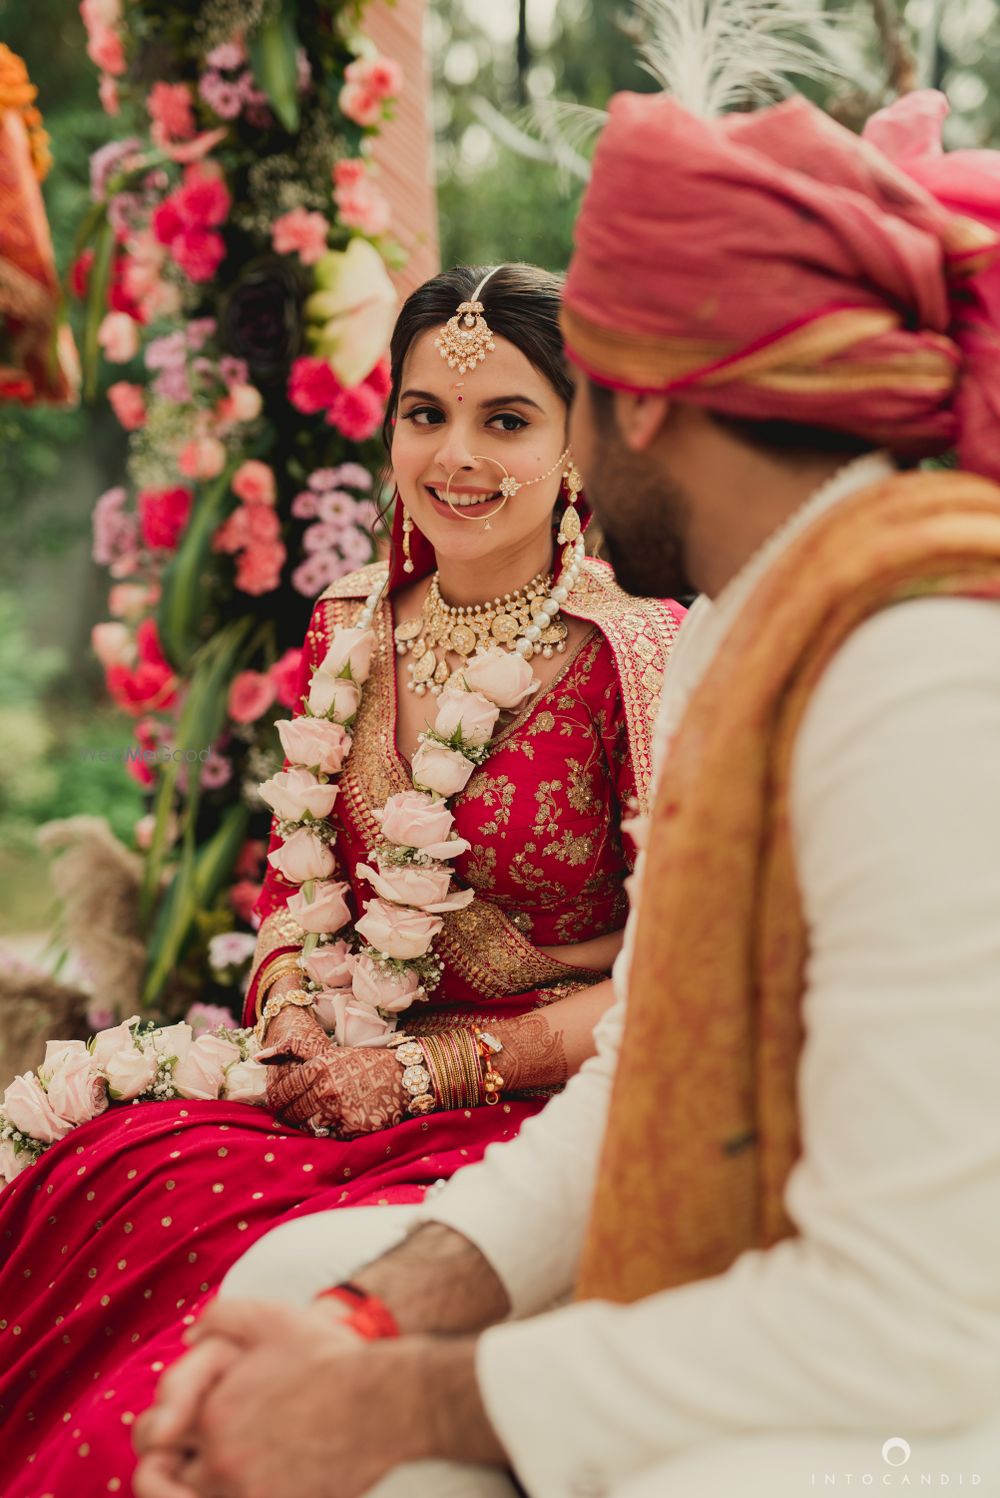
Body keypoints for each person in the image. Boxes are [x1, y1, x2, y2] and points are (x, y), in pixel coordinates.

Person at [133, 86, 1000, 1498]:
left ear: (637, 395)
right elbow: (635, 1078)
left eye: (555, 397)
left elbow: (915, 1323)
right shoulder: (748, 611)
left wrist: (396, 1401)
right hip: (786, 1293)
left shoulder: (924, 675)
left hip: (930, 1389)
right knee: (302, 1277)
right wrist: (366, 1322)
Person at [0, 262, 683, 1495]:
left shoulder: (633, 654)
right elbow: (289, 886)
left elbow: (666, 977)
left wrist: (427, 1067)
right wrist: (293, 1009)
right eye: (425, 414)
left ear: (576, 443)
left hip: (524, 1112)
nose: (457, 456)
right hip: (326, 1083)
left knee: (241, 1271)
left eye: (507, 419)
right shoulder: (351, 619)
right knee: (105, 1169)